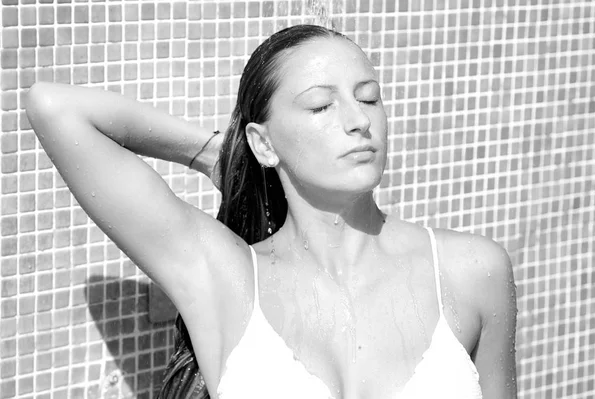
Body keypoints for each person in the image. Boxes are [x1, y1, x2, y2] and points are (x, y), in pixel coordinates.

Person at [25, 24, 517, 399]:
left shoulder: (470, 271)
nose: (358, 120)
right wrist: (220, 155)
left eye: (369, 98)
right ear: (264, 142)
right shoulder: (229, 280)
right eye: (322, 106)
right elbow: (55, 108)